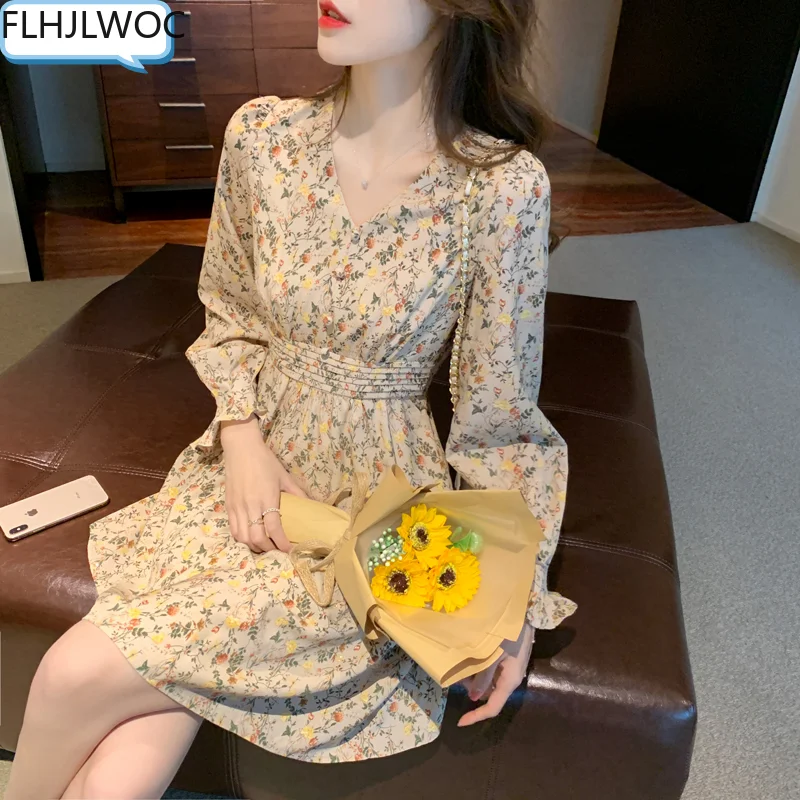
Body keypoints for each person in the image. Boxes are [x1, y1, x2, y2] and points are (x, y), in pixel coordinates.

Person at [5, 0, 577, 796]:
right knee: (118, 776)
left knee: (73, 675)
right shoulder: (263, 137)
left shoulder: (502, 188)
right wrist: (240, 437)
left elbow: (500, 422)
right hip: (242, 471)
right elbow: (230, 311)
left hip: (365, 515)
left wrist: (513, 595)